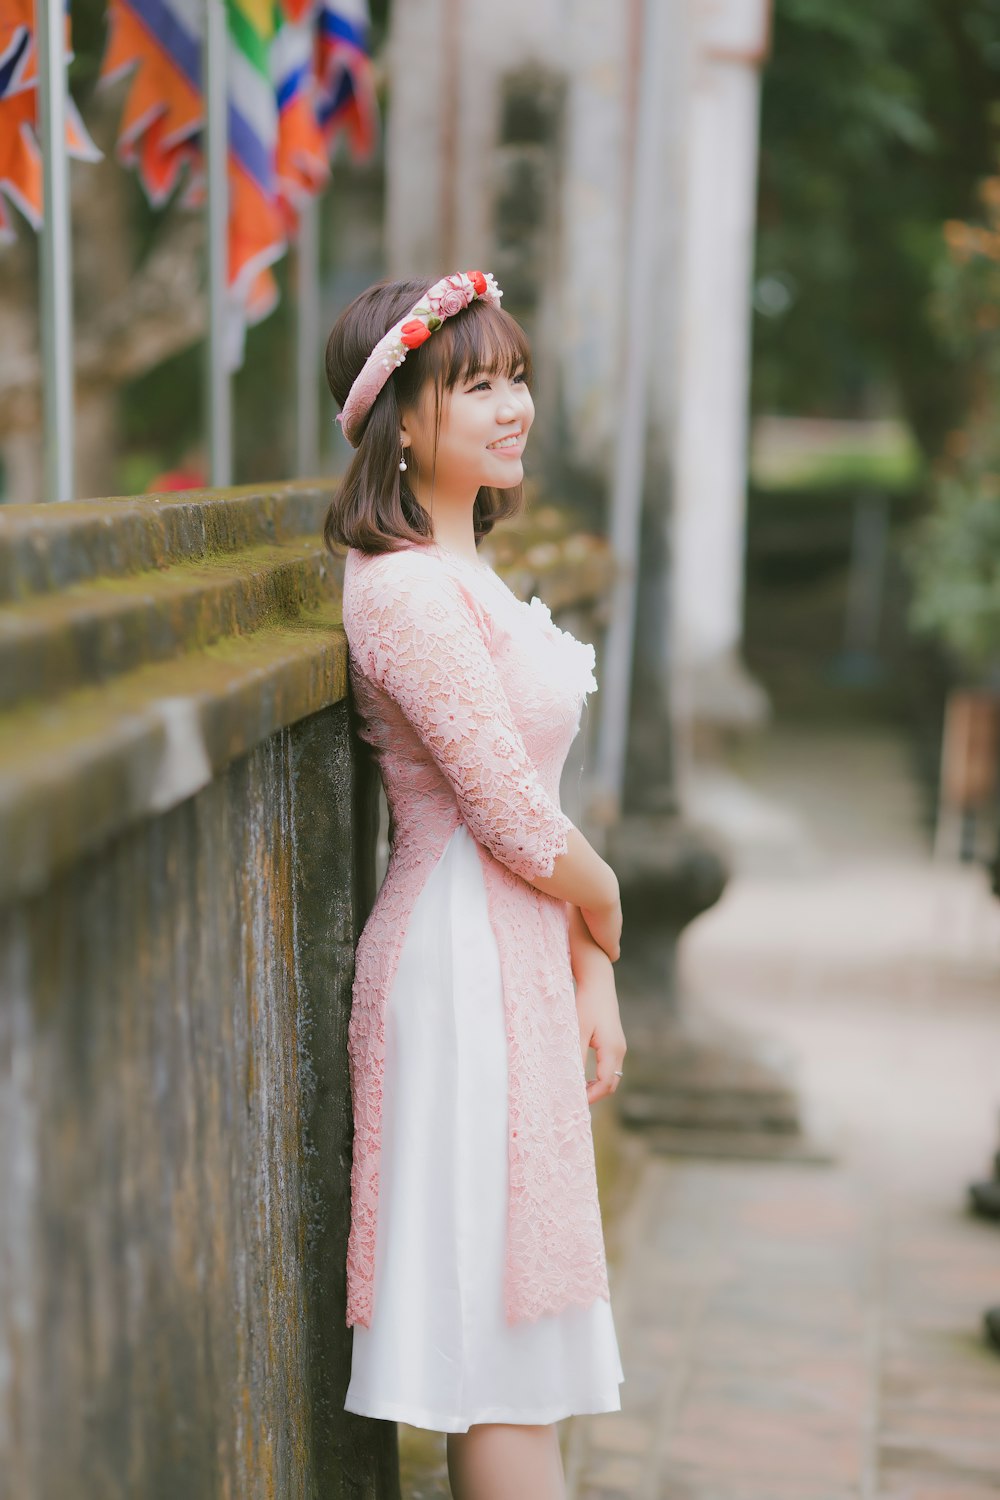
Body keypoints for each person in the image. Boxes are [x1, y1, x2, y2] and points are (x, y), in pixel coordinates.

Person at [323, 270, 627, 1499]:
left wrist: (591, 966)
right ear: (402, 417)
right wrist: (608, 903)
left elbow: (533, 804)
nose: (514, 409)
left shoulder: (467, 575)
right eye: (477, 386)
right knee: (494, 1351)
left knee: (518, 1336)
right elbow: (506, 813)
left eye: (517, 380)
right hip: (456, 970)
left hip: (511, 960)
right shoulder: (399, 590)